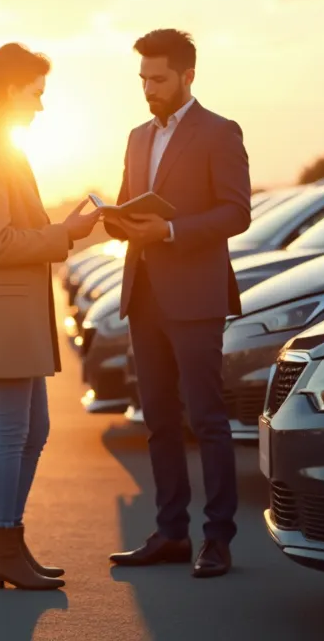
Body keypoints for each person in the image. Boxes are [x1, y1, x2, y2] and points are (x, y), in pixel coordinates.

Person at [0, 43, 102, 590]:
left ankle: (11, 542)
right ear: (9, 89)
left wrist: (64, 228)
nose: (40, 106)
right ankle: (3, 547)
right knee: (15, 431)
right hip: (4, 316)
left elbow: (14, 232)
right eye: (35, 93)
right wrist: (65, 235)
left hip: (15, 314)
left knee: (33, 428)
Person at [104, 29, 252, 578]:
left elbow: (236, 213)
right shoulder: (137, 136)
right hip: (142, 295)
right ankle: (170, 533)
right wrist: (116, 219)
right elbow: (126, 210)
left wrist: (168, 230)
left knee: (207, 419)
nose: (149, 89)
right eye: (143, 79)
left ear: (188, 75)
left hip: (195, 298)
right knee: (160, 420)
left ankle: (217, 538)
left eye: (158, 79)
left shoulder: (219, 132)